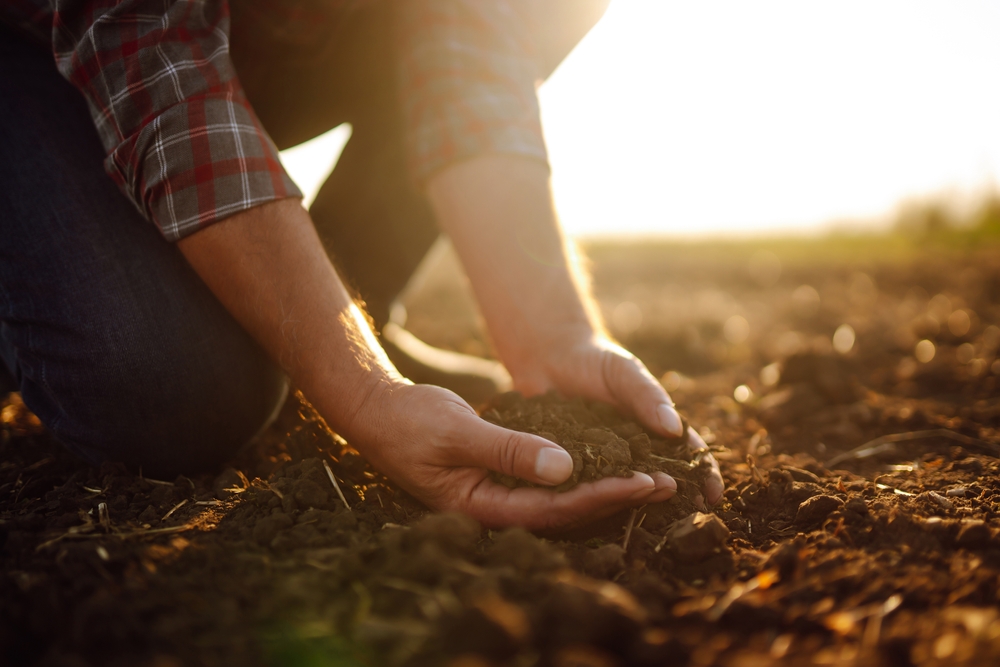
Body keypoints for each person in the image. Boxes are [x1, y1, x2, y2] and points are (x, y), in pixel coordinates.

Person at [0, 0, 722, 529]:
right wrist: (367, 395)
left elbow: (466, 52)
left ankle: (343, 316)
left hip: (246, 36)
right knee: (177, 389)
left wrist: (556, 336)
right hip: (38, 53)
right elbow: (157, 65)